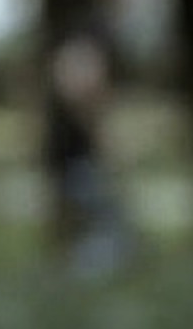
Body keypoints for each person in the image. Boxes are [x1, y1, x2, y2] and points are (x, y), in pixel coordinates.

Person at [45, 17, 134, 277]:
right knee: (105, 217)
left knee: (91, 216)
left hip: (69, 158)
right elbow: (89, 111)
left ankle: (79, 262)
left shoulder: (65, 59)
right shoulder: (81, 61)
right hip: (78, 160)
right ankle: (87, 266)